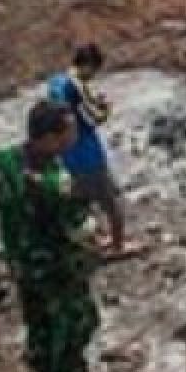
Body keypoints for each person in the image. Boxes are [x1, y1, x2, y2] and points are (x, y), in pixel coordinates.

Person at [0, 100, 109, 372]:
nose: (75, 137)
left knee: (38, 319)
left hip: (21, 261)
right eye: (70, 132)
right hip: (57, 265)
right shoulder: (56, 184)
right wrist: (98, 233)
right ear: (51, 137)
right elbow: (81, 230)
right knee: (76, 320)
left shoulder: (2, 163)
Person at [47, 43, 127, 255]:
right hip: (88, 155)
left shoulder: (55, 83)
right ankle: (118, 245)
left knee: (81, 203)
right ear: (89, 66)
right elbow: (92, 118)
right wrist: (105, 109)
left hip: (68, 157)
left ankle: (91, 242)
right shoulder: (76, 87)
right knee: (111, 202)